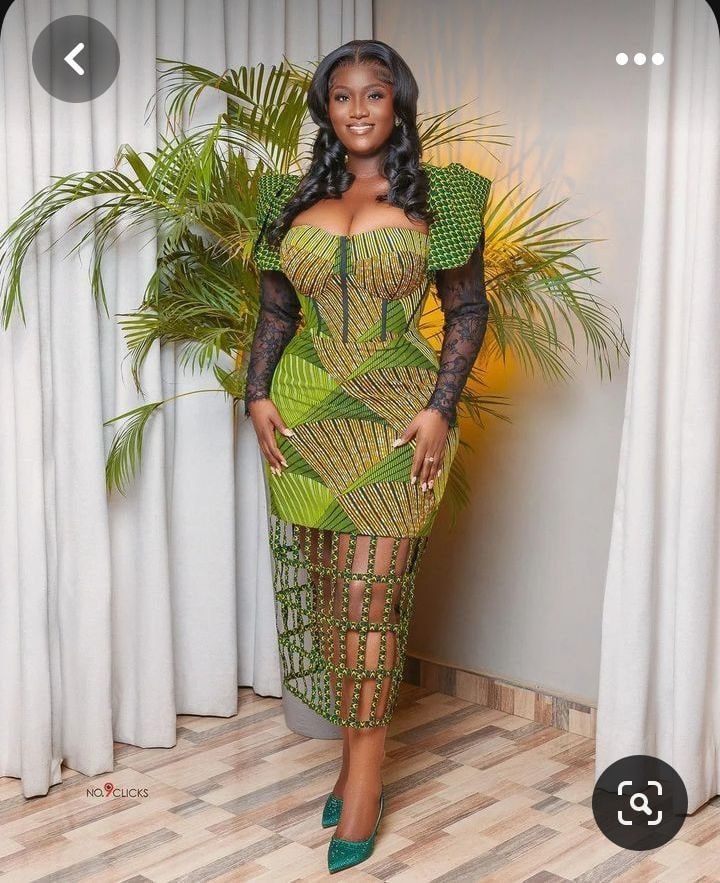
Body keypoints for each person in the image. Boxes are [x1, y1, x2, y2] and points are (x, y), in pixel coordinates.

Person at [244, 38, 491, 874]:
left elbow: (466, 312)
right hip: (306, 413)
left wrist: (440, 409)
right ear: (326, 108)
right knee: (330, 599)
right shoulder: (288, 199)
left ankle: (366, 782)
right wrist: (256, 393)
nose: (358, 109)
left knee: (369, 599)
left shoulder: (443, 196)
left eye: (374, 94)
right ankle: (350, 763)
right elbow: (276, 313)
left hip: (397, 418)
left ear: (398, 104)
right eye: (342, 95)